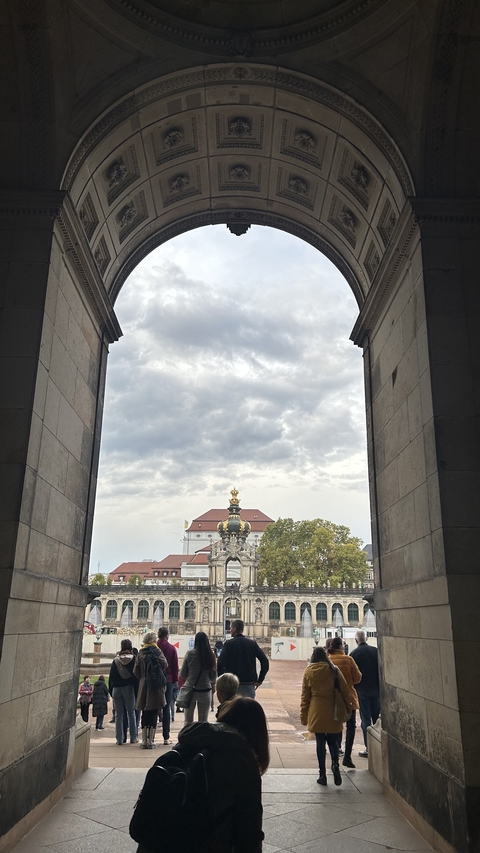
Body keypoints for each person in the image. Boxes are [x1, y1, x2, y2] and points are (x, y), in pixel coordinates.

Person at [300, 646, 352, 786]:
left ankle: (322, 774)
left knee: (320, 743)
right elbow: (345, 690)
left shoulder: (308, 672)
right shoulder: (334, 671)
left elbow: (305, 697)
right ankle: (335, 764)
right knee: (334, 742)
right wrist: (349, 708)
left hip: (316, 709)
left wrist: (304, 715)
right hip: (333, 709)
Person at [328, 636, 362, 767]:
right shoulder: (348, 660)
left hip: (333, 698)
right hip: (349, 698)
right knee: (351, 727)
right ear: (341, 647)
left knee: (335, 727)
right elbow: (358, 678)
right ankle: (347, 756)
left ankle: (335, 758)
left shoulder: (328, 660)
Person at [217, 619, 269, 698]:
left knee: (232, 708)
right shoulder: (252, 643)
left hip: (231, 684)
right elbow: (265, 661)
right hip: (248, 684)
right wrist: (260, 680)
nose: (230, 630)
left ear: (234, 629)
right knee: (248, 708)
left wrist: (222, 680)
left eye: (230, 628)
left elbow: (220, 663)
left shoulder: (228, 644)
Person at [134, 631, 168, 749]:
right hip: (155, 686)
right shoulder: (157, 651)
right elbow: (165, 664)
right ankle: (151, 740)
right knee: (154, 712)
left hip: (144, 684)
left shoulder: (140, 653)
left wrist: (143, 678)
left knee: (144, 712)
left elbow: (136, 670)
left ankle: (144, 740)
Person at [350, 629, 380, 757]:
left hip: (362, 691)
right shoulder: (376, 651)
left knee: (365, 719)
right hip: (376, 690)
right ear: (366, 638)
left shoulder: (353, 654)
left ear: (356, 640)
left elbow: (352, 675)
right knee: (377, 719)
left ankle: (369, 748)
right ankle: (379, 746)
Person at [179, 630, 217, 725]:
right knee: (203, 721)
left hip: (190, 690)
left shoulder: (189, 654)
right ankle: (201, 739)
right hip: (205, 690)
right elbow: (213, 676)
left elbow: (182, 674)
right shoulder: (211, 655)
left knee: (188, 720)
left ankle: (187, 739)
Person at [109, 639, 139, 745]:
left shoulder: (116, 660)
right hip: (129, 688)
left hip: (117, 689)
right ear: (130, 647)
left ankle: (119, 739)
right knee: (131, 713)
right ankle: (133, 737)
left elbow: (111, 677)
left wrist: (111, 690)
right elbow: (136, 676)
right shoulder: (134, 659)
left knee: (118, 715)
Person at [157, 627, 179, 745]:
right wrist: (175, 680)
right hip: (168, 680)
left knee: (152, 707)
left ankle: (149, 736)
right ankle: (166, 737)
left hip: (154, 681)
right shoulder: (171, 648)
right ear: (167, 635)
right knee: (166, 708)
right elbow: (175, 667)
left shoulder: (154, 648)